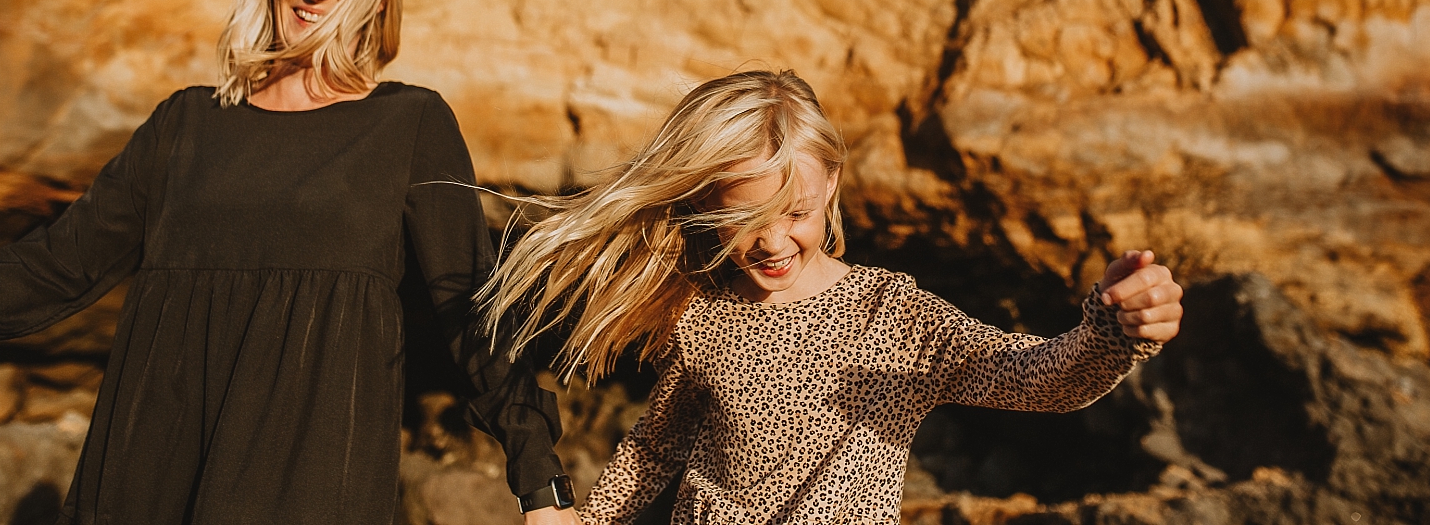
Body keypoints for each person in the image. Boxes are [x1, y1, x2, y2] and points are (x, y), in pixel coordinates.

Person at [0, 0, 578, 524]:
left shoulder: (409, 125)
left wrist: (539, 478)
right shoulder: (185, 126)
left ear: (377, 0)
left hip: (309, 482)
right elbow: (56, 267)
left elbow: (468, 302)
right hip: (149, 473)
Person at [482, 69, 1184, 525]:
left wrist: (1114, 333)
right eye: (741, 221)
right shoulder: (705, 317)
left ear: (833, 189)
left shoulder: (893, 315)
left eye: (796, 213)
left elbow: (1040, 379)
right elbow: (654, 450)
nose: (771, 242)